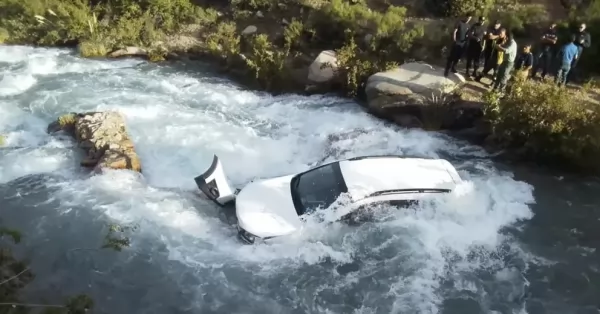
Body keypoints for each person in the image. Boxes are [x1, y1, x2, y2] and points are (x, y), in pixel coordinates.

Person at [444, 13, 473, 77]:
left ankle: (453, 68)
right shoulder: (459, 23)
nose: (468, 19)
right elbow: (455, 31)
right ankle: (447, 70)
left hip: (463, 44)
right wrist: (454, 40)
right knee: (451, 57)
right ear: (465, 17)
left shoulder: (468, 26)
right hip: (457, 42)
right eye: (468, 18)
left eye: (470, 19)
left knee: (458, 57)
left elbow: (468, 35)